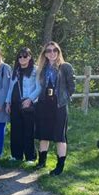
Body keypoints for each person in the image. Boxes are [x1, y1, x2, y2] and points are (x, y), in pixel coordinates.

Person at [35, 41, 75, 176]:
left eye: (54, 50)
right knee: (43, 134)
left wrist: (64, 98)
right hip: (44, 105)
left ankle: (60, 166)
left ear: (58, 52)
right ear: (45, 54)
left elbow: (71, 86)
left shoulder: (65, 67)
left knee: (59, 136)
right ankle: (41, 161)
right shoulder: (42, 68)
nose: (52, 53)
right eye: (48, 51)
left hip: (59, 106)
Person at [5, 47, 41, 164]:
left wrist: (30, 99)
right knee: (16, 130)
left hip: (28, 104)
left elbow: (39, 87)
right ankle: (16, 156)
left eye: (25, 56)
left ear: (30, 57)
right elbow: (10, 88)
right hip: (15, 103)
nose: (22, 58)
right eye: (20, 56)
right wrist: (7, 102)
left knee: (28, 130)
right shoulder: (16, 70)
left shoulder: (36, 70)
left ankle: (30, 157)